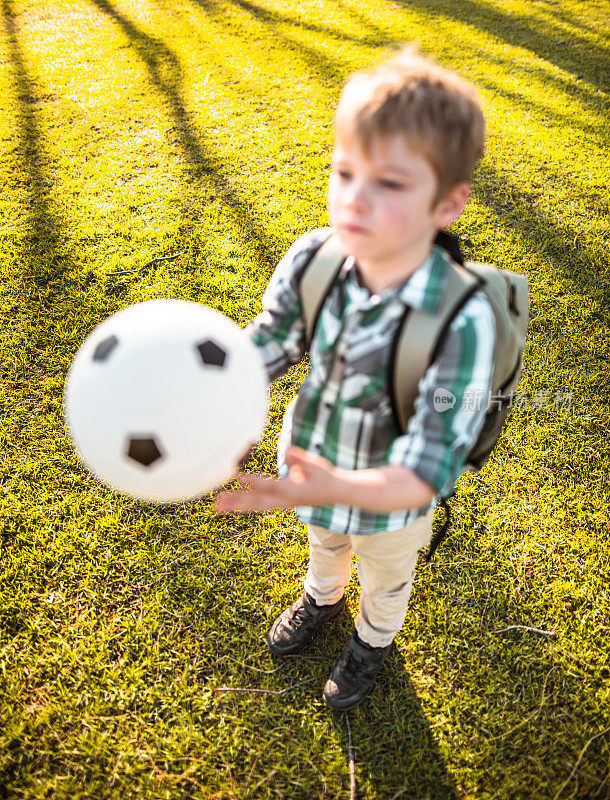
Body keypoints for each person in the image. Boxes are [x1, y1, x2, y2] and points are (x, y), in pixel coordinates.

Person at [216, 45, 496, 711]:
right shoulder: (316, 258)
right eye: (344, 172)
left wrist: (340, 484)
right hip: (313, 463)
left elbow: (431, 463)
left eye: (390, 184)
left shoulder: (461, 320)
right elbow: (275, 336)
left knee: (387, 575)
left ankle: (373, 638)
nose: (356, 200)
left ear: (447, 204)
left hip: (393, 502)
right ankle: (322, 596)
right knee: (326, 539)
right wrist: (216, 398)